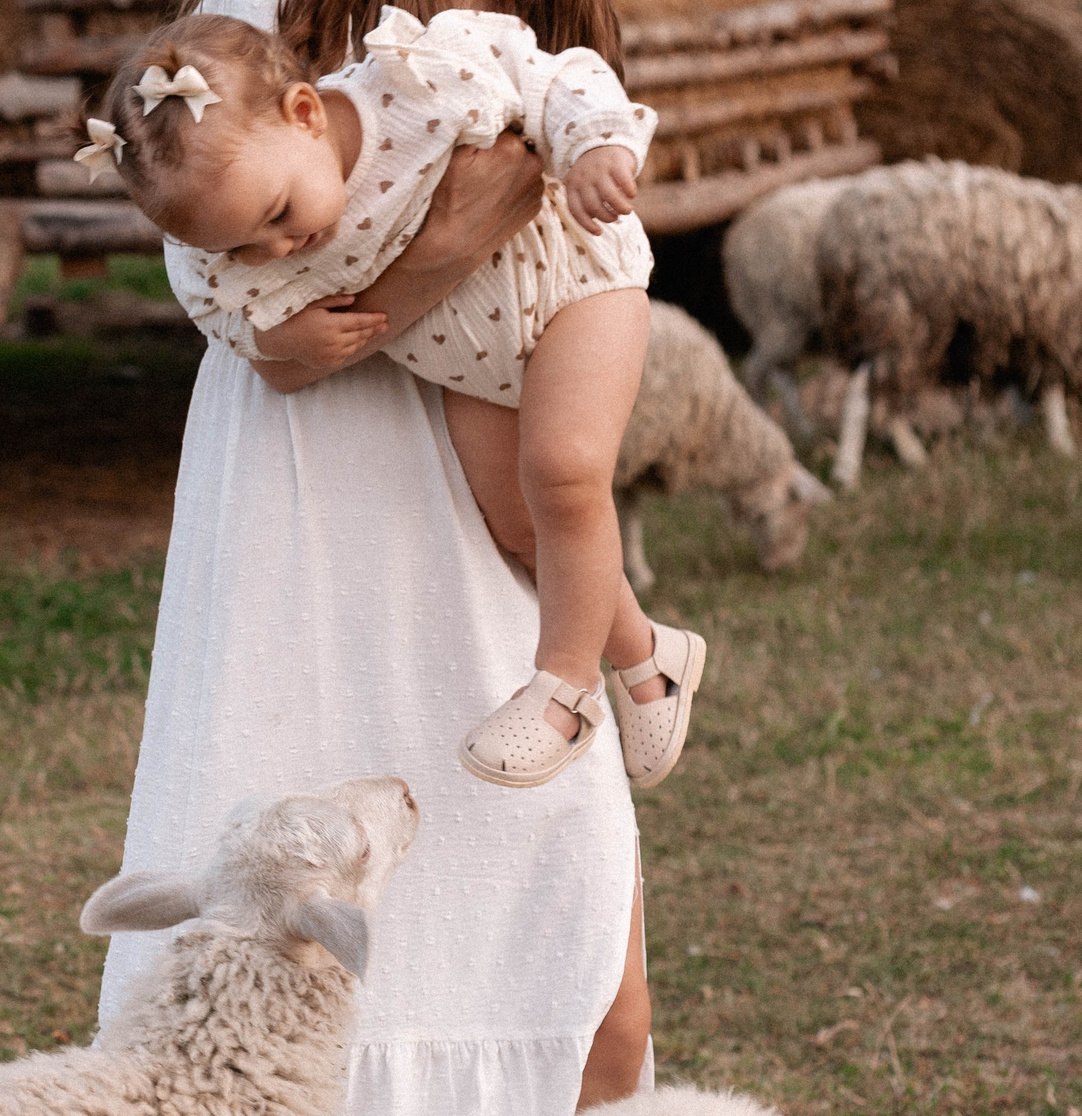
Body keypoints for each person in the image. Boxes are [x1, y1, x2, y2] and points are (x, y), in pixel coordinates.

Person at [43, 0, 664, 1116]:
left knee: (585, 959)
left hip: (473, 447)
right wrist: (270, 317)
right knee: (205, 980)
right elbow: (202, 242)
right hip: (307, 484)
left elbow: (511, 191)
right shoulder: (250, 32)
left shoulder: (490, 25)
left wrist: (359, 287)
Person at [81, 6, 707, 790]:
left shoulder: (416, 82)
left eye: (275, 218)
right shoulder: (249, 211)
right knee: (517, 524)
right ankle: (651, 658)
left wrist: (593, 145)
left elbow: (550, 73)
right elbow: (214, 297)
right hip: (473, 358)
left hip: (573, 283)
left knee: (563, 471)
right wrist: (277, 341)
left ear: (306, 113)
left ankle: (564, 690)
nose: (276, 249)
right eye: (245, 244)